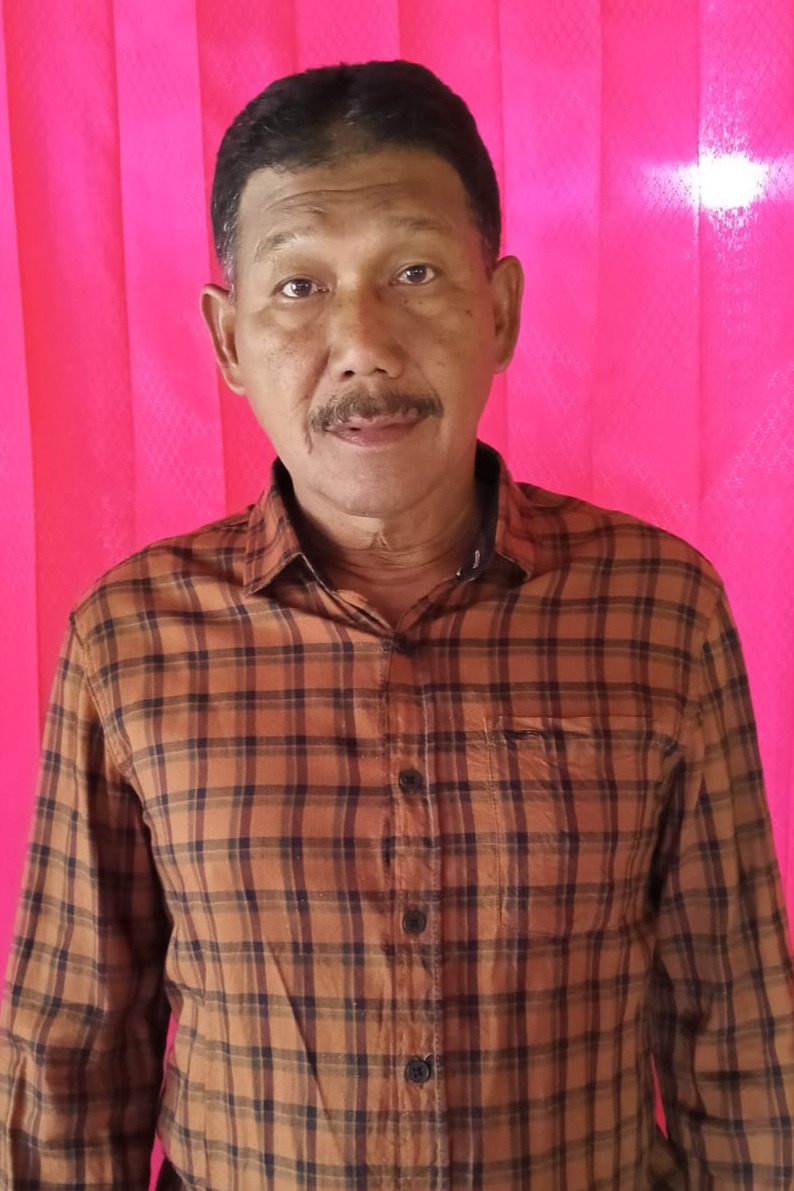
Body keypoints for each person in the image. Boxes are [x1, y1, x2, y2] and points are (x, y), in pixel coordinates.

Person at [0, 59, 792, 1191]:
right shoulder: (129, 644)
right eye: (298, 287)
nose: (362, 343)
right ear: (228, 342)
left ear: (498, 310)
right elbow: (71, 1057)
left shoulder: (659, 611)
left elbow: (738, 1021)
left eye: (413, 273)